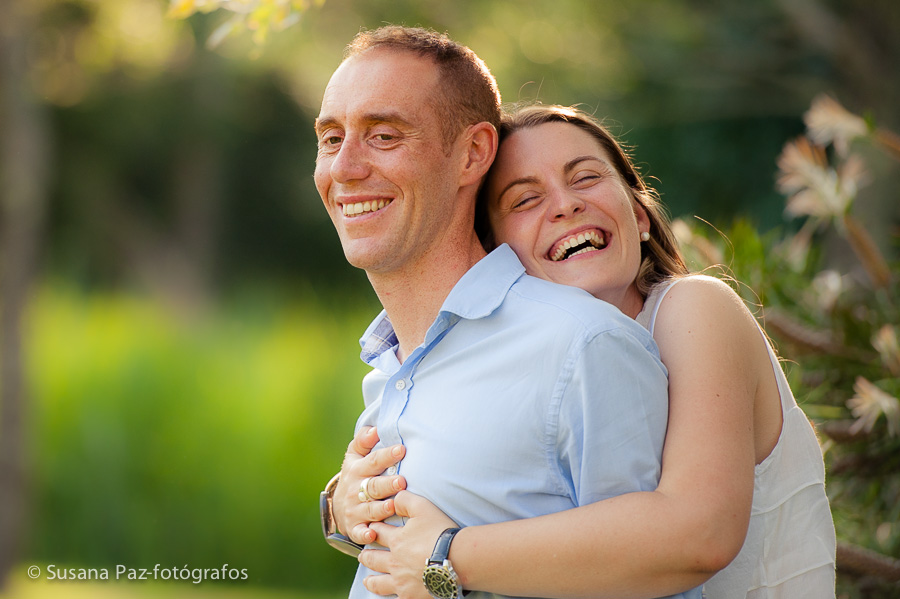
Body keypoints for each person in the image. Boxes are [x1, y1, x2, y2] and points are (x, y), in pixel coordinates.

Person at [339, 105, 837, 598]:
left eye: (585, 178)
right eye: (525, 199)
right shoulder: (532, 373)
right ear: (496, 258)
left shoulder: (694, 309)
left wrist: (447, 556)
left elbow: (699, 534)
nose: (565, 204)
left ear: (639, 215)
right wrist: (342, 508)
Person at [315, 26, 698, 599]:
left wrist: (449, 566)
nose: (344, 167)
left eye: (384, 135)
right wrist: (336, 513)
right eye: (330, 139)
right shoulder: (389, 366)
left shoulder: (580, 347)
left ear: (472, 154)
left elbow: (663, 572)